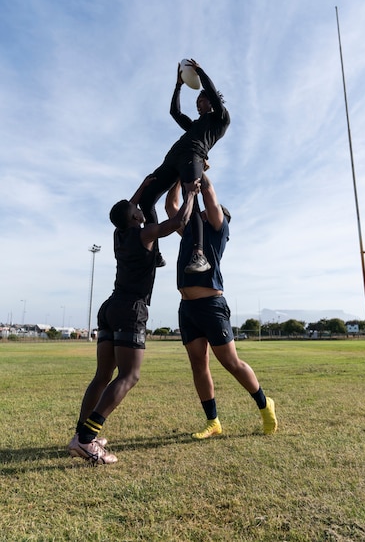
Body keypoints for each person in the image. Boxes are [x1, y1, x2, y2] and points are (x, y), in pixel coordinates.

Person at [68, 176, 200, 464]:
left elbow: (126, 209)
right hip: (131, 308)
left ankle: (79, 435)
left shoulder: (118, 235)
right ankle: (87, 440)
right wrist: (190, 193)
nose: (140, 208)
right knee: (130, 375)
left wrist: (143, 185)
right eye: (136, 209)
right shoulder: (145, 234)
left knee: (102, 376)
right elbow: (178, 222)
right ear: (134, 217)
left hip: (110, 306)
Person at [165, 174, 278, 439]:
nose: (201, 215)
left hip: (211, 305)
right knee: (198, 365)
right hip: (187, 308)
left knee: (230, 362)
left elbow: (209, 194)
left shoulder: (218, 229)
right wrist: (177, 177)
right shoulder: (192, 232)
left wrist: (196, 169)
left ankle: (264, 404)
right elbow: (172, 207)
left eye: (206, 213)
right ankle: (213, 421)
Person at [138, 58, 230, 274]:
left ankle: (199, 255)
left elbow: (215, 96)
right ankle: (155, 253)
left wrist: (200, 72)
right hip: (172, 159)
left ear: (211, 101)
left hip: (194, 156)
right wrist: (178, 85)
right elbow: (175, 113)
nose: (198, 104)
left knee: (192, 201)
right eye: (197, 101)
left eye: (202, 100)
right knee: (146, 199)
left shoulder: (220, 119)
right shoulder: (194, 126)